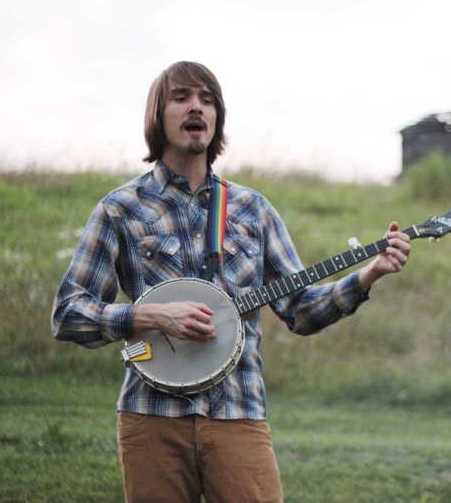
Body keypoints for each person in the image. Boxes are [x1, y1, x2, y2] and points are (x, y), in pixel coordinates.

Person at [51, 61, 411, 503]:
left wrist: (368, 273)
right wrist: (152, 316)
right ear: (157, 114)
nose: (196, 107)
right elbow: (68, 313)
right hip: (151, 416)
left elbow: (299, 310)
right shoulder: (119, 209)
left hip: (238, 413)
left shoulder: (251, 210)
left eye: (207, 99)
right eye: (182, 97)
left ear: (217, 118)